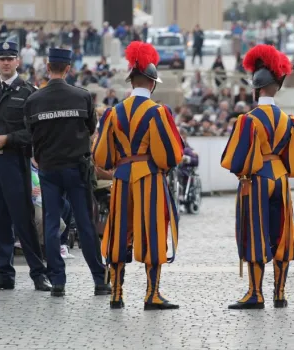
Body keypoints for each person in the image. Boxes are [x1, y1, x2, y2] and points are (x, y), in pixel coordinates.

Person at [93, 41, 184, 310]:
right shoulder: (158, 112)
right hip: (149, 178)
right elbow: (170, 155)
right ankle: (152, 294)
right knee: (153, 232)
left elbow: (101, 156)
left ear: (131, 81)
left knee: (119, 232)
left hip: (121, 178)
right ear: (153, 84)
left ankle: (117, 294)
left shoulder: (112, 113)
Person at [221, 44, 294, 309]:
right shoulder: (288, 120)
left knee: (254, 233)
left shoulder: (249, 119)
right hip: (280, 178)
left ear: (256, 88)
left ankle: (255, 293)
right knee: (282, 233)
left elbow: (236, 161)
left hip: (255, 179)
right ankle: (280, 293)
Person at [24, 48, 109, 297]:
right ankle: (99, 280)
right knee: (85, 224)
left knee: (51, 224)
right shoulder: (81, 97)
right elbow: (91, 127)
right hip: (76, 168)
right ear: (68, 68)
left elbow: (30, 134)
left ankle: (58, 281)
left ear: (47, 67)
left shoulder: (34, 100)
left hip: (48, 168)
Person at [0, 41, 50, 292]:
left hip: (16, 161)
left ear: (18, 61)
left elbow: (36, 132)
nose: (6, 62)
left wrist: (9, 138)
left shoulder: (29, 92)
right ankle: (4, 273)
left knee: (23, 218)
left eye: (10, 58)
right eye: (1, 58)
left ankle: (38, 273)